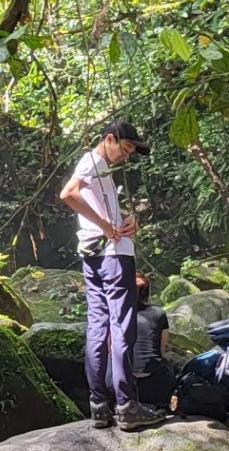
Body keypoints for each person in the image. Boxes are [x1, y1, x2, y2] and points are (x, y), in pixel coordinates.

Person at [58, 120, 164, 432]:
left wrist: (124, 221)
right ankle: (127, 406)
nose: (126, 156)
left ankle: (99, 406)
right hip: (112, 256)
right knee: (121, 328)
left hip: (93, 253)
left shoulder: (100, 169)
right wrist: (107, 227)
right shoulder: (93, 161)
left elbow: (97, 209)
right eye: (126, 148)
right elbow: (68, 193)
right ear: (109, 139)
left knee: (98, 325)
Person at [130, 270, 177, 410]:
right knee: (168, 366)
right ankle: (162, 404)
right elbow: (161, 352)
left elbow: (110, 350)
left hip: (124, 385)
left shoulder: (116, 315)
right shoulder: (159, 313)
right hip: (155, 384)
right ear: (147, 293)